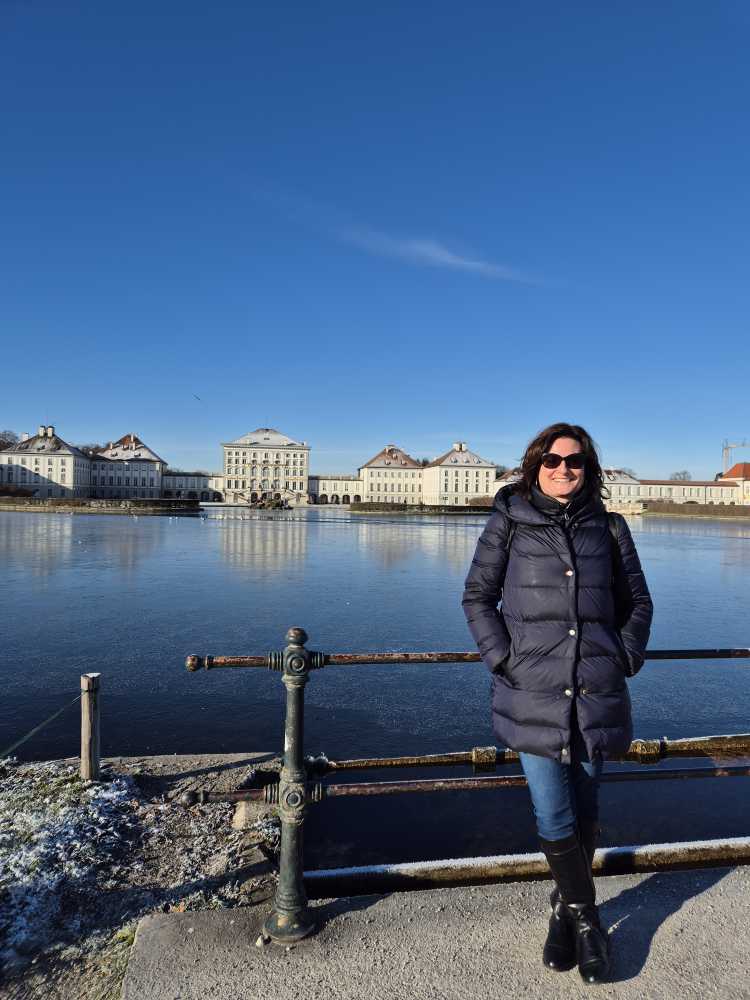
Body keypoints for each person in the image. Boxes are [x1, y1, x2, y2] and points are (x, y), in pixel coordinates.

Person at [462, 423, 652, 984]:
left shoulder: (610, 527)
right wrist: (504, 659)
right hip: (534, 692)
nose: (563, 468)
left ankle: (560, 907)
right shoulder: (509, 522)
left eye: (575, 461)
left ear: (588, 469)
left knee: (587, 810)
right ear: (534, 464)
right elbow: (477, 597)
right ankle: (588, 919)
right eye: (552, 459)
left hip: (596, 688)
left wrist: (626, 654)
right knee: (553, 810)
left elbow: (637, 600)